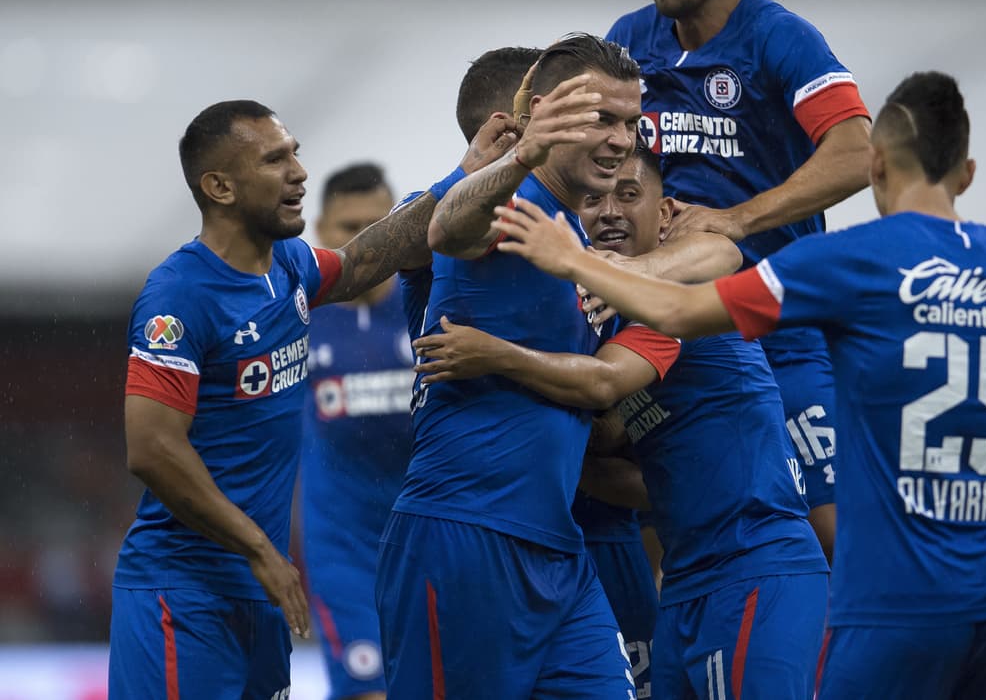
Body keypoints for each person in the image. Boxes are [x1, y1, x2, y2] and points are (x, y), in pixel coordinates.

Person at [492, 72, 986, 699]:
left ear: (876, 167)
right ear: (967, 174)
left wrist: (574, 260)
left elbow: (685, 309)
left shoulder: (853, 261)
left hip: (889, 597)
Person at [109, 98, 515, 699]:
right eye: (275, 159)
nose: (299, 171)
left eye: (295, 153)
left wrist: (464, 176)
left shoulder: (290, 268)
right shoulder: (178, 297)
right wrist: (259, 550)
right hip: (184, 592)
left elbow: (365, 260)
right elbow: (151, 447)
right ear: (219, 185)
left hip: (264, 593)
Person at [413, 144, 830, 699]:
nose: (609, 210)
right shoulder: (597, 318)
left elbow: (722, 251)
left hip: (756, 563)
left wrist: (495, 354)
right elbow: (619, 461)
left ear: (666, 213)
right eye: (594, 198)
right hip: (686, 577)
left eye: (629, 195)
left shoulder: (678, 287)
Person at [606, 0, 875, 561]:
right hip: (666, 325)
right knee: (659, 523)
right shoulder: (627, 43)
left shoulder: (779, 39)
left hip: (776, 327)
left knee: (832, 534)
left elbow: (854, 154)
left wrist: (738, 218)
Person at [376, 34, 644, 699]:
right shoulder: (513, 199)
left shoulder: (572, 235)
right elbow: (447, 230)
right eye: (601, 119)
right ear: (546, 113)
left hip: (558, 547)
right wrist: (524, 153)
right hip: (464, 538)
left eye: (630, 122)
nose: (620, 139)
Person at [300, 162, 415, 700]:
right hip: (344, 552)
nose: (368, 242)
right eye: (351, 228)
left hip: (433, 543)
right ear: (322, 231)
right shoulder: (297, 319)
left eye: (379, 223)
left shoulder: (431, 305)